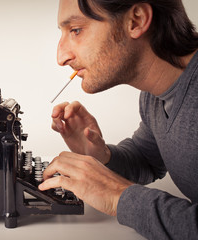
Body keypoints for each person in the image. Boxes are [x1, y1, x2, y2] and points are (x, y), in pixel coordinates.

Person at [38, 0, 198, 239]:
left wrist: (118, 197)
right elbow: (148, 159)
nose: (61, 57)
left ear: (136, 20)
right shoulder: (153, 97)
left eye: (76, 30)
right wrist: (102, 156)